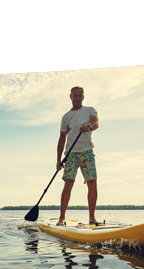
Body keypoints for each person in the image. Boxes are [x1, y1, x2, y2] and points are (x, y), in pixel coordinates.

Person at [56, 86, 99, 226]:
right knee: (68, 183)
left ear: (83, 97)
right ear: (70, 97)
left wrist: (89, 128)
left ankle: (92, 218)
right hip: (71, 154)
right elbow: (62, 138)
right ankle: (61, 218)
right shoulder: (66, 117)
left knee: (92, 182)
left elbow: (95, 123)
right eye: (75, 95)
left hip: (87, 152)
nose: (77, 98)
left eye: (80, 95)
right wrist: (58, 159)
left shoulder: (89, 110)